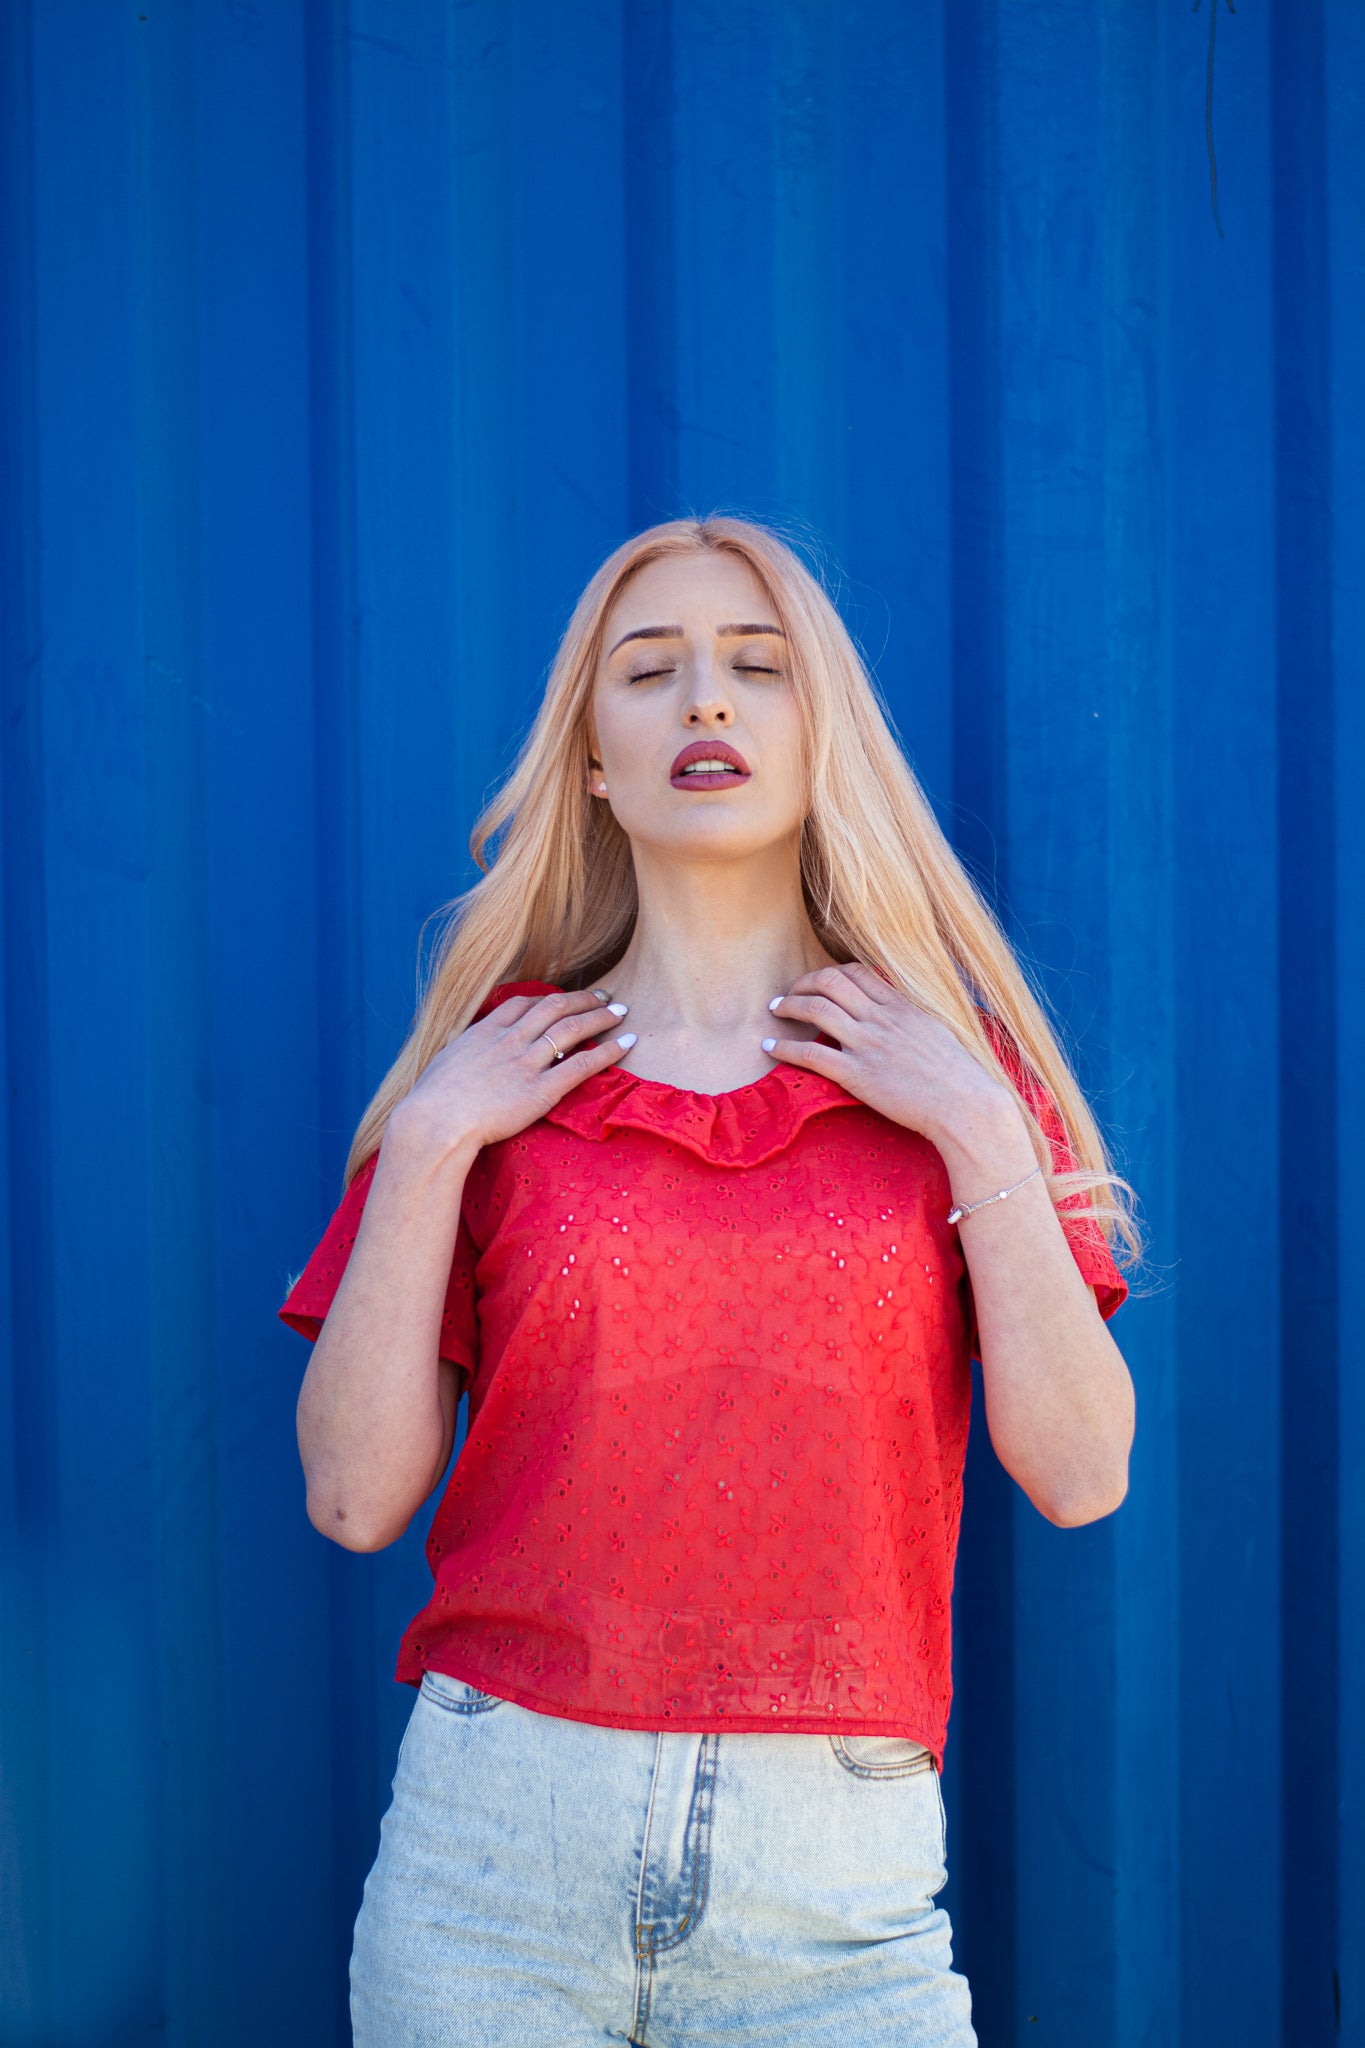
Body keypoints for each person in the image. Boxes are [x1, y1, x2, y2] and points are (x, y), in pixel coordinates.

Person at [278, 514, 1139, 2047]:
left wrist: (974, 1122)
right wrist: (423, 1145)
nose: (707, 704)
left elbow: (1078, 1472)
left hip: (837, 1899)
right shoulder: (494, 1083)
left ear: (825, 741)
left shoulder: (948, 1085)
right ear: (593, 762)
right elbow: (350, 1500)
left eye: (757, 667)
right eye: (649, 671)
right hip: (489, 1873)